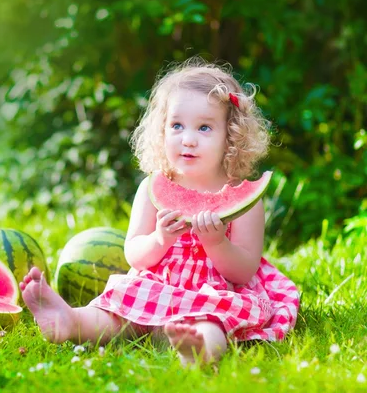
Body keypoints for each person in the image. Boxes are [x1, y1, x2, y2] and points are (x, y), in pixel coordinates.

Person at [19, 58, 300, 366]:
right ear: (162, 130)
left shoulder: (245, 201)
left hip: (211, 295)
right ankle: (70, 321)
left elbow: (244, 271)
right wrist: (159, 239)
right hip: (153, 289)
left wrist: (217, 244)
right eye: (176, 125)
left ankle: (198, 348)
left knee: (213, 324)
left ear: (230, 137)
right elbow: (134, 255)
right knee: (114, 315)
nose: (187, 139)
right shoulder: (153, 189)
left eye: (204, 127)